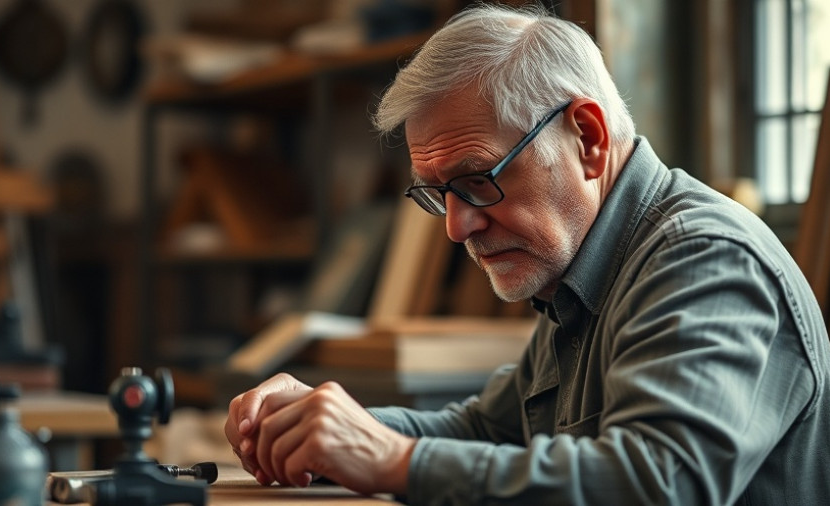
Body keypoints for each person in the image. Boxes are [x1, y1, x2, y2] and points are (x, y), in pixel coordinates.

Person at [224, 4, 830, 504]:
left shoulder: (703, 260)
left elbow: (660, 483)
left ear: (587, 138)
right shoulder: (586, 269)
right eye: (438, 195)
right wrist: (327, 428)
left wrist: (393, 459)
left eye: (478, 179)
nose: (457, 229)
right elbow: (490, 431)